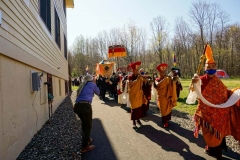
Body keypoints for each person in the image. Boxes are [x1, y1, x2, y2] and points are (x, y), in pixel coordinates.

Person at [191, 45, 240, 159]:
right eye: (209, 66)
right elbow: (192, 91)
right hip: (205, 112)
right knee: (209, 133)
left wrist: (235, 93)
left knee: (218, 133)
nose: (211, 68)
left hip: (219, 113)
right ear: (205, 67)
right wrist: (193, 83)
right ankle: (210, 147)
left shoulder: (218, 81)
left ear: (216, 67)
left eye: (213, 66)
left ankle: (217, 153)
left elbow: (224, 93)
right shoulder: (200, 79)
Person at [73, 75, 100, 153]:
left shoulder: (82, 84)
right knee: (88, 125)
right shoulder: (92, 84)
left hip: (77, 106)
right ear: (91, 80)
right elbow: (98, 92)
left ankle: (87, 139)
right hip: (85, 106)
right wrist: (95, 83)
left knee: (84, 123)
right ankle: (84, 146)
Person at [154, 63, 178, 128]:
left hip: (168, 96)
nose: (163, 73)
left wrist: (173, 80)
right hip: (162, 97)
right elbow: (157, 85)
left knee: (168, 108)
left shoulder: (168, 78)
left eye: (164, 71)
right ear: (159, 72)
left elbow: (172, 83)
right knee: (163, 109)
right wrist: (165, 79)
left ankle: (167, 120)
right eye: (162, 72)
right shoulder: (157, 79)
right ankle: (165, 121)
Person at [128, 61, 148, 128]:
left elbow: (144, 81)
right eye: (135, 70)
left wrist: (144, 78)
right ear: (133, 70)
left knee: (139, 108)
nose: (136, 71)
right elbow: (130, 83)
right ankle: (133, 122)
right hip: (133, 95)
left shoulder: (139, 76)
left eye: (137, 70)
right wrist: (137, 79)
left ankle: (138, 120)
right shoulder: (130, 76)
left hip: (139, 94)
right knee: (134, 108)